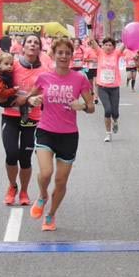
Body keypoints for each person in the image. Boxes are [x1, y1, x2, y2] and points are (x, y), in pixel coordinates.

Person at [26, 38, 95, 232]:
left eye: (67, 53)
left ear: (72, 56)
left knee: (60, 181)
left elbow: (91, 107)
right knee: (46, 172)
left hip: (68, 135)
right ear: (53, 55)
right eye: (60, 53)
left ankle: (51, 214)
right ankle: (42, 196)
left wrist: (81, 106)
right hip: (46, 131)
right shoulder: (44, 77)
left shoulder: (79, 78)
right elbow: (28, 98)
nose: (64, 56)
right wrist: (33, 100)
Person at [3, 34, 52, 207]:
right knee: (11, 153)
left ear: (40, 48)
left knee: (25, 158)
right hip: (11, 116)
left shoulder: (45, 70)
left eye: (36, 43)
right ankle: (12, 186)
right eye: (29, 42)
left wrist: (40, 99)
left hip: (33, 118)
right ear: (22, 47)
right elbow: (2, 90)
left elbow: (48, 92)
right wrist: (25, 98)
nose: (32, 45)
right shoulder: (12, 66)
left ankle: (23, 190)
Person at [89, 37, 125, 142]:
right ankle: (108, 134)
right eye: (106, 45)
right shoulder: (100, 53)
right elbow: (92, 41)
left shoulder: (116, 54)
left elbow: (125, 43)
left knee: (115, 113)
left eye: (110, 45)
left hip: (114, 88)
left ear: (114, 47)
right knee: (107, 110)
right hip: (102, 87)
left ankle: (115, 121)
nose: (108, 47)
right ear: (102, 46)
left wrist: (128, 35)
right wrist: (89, 25)